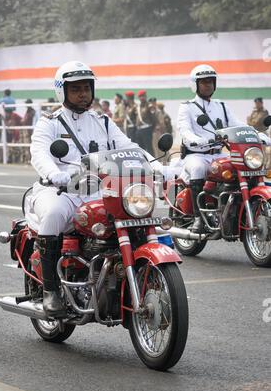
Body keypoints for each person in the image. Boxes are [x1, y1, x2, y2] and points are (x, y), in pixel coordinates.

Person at [29, 61, 173, 317]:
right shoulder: (49, 123)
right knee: (52, 215)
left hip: (98, 189)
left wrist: (156, 165)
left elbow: (129, 147)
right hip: (61, 190)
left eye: (86, 88)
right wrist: (55, 174)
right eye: (76, 89)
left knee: (137, 215)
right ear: (62, 91)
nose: (83, 93)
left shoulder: (104, 122)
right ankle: (50, 291)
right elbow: (39, 153)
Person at [177, 64, 247, 232]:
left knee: (240, 166)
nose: (208, 85)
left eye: (210, 81)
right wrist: (196, 140)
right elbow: (184, 130)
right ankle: (198, 218)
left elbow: (237, 124)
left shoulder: (221, 106)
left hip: (217, 155)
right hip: (196, 155)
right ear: (195, 84)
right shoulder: (187, 107)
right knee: (198, 168)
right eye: (203, 82)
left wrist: (256, 134)